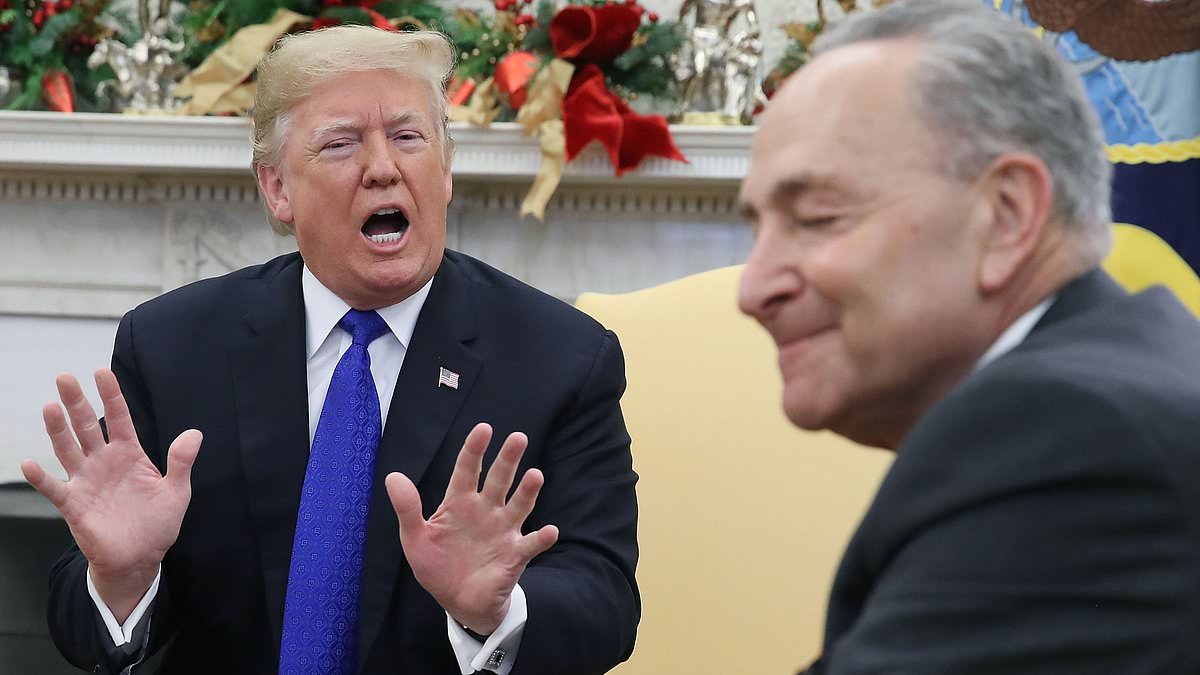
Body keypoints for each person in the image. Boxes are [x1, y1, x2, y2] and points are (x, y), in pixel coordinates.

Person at [21, 26, 639, 675]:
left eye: (408, 137)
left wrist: (498, 610)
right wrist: (123, 578)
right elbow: (83, 622)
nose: (383, 167)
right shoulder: (173, 347)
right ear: (278, 189)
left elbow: (606, 601)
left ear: (445, 170)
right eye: (341, 143)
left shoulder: (562, 359)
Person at [737, 1, 1200, 672]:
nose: (752, 290)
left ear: (1006, 215)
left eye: (816, 217)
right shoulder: (1116, 371)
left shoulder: (1064, 436)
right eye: (757, 230)